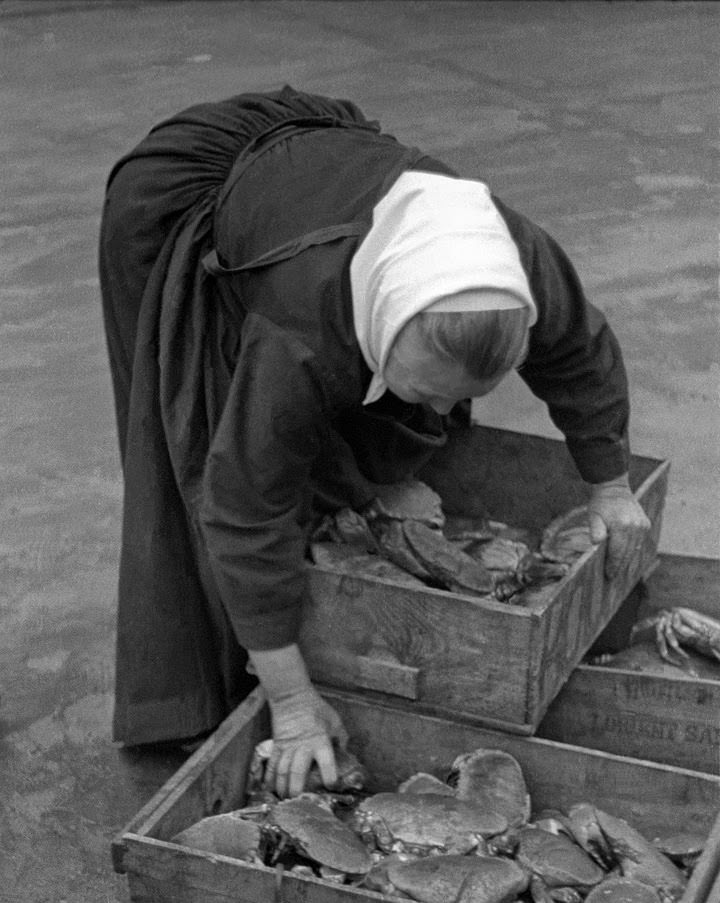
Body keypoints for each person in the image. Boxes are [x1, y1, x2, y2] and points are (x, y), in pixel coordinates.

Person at [99, 86, 650, 798]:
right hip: (181, 201)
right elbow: (245, 509)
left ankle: (298, 610)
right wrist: (293, 703)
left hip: (317, 168)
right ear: (376, 328)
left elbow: (580, 352)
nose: (449, 410)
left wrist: (611, 486)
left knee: (374, 431)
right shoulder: (301, 330)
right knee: (203, 454)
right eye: (428, 386)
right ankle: (208, 685)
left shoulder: (514, 262)